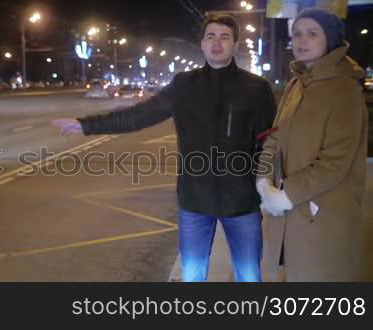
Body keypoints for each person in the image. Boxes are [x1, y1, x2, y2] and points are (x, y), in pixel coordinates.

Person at [53, 14, 277, 282]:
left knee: (250, 275)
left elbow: (269, 143)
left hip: (243, 202)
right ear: (202, 44)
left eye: (225, 37)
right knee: (192, 276)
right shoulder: (184, 85)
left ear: (235, 45)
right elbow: (140, 115)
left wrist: (267, 185)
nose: (217, 43)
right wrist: (86, 126)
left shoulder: (256, 89)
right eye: (211, 37)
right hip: (195, 201)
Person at [256, 8, 369, 282]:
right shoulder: (297, 84)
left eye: (312, 33)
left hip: (324, 216)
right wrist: (264, 182)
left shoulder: (344, 89)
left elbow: (335, 162)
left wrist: (284, 196)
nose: (301, 40)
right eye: (296, 34)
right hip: (288, 214)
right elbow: (274, 138)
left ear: (329, 39)